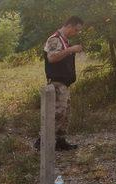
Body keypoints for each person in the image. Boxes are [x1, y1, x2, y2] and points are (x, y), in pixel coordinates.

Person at [34, 16, 84, 151]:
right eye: (76, 30)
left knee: (65, 113)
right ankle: (42, 141)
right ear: (69, 26)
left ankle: (60, 141)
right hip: (56, 83)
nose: (76, 33)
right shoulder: (54, 39)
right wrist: (70, 50)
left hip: (64, 84)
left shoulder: (65, 41)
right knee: (56, 113)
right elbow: (52, 58)